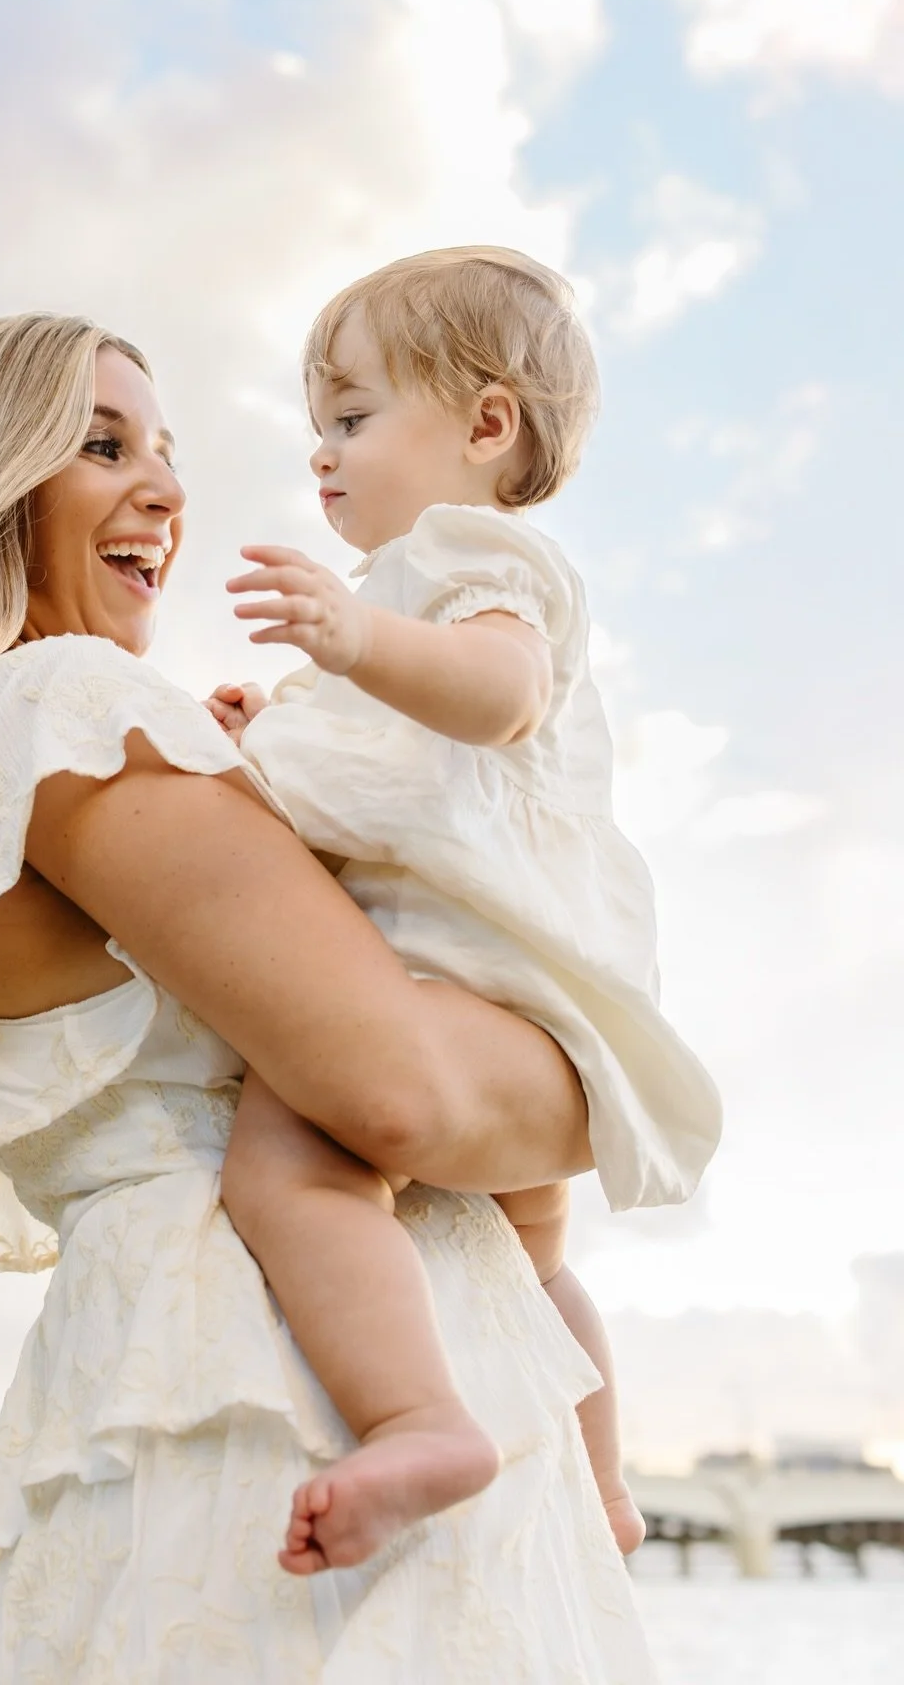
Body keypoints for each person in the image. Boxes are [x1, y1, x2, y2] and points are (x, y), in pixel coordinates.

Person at [0, 313, 656, 1681]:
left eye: (165, 450)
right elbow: (401, 1092)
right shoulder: (67, 706)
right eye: (101, 446)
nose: (165, 488)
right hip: (291, 1405)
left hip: (199, 1392)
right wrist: (620, 1087)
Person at [206, 246, 722, 1577]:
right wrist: (274, 725)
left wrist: (347, 643)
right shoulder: (408, 605)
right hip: (518, 1001)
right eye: (317, 428)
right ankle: (605, 1492)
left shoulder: (466, 559)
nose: (323, 456)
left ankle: (419, 1416)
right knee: (540, 1267)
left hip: (462, 979)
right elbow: (388, 772)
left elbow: (496, 693)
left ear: (487, 426)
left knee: (291, 1164)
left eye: (355, 418)